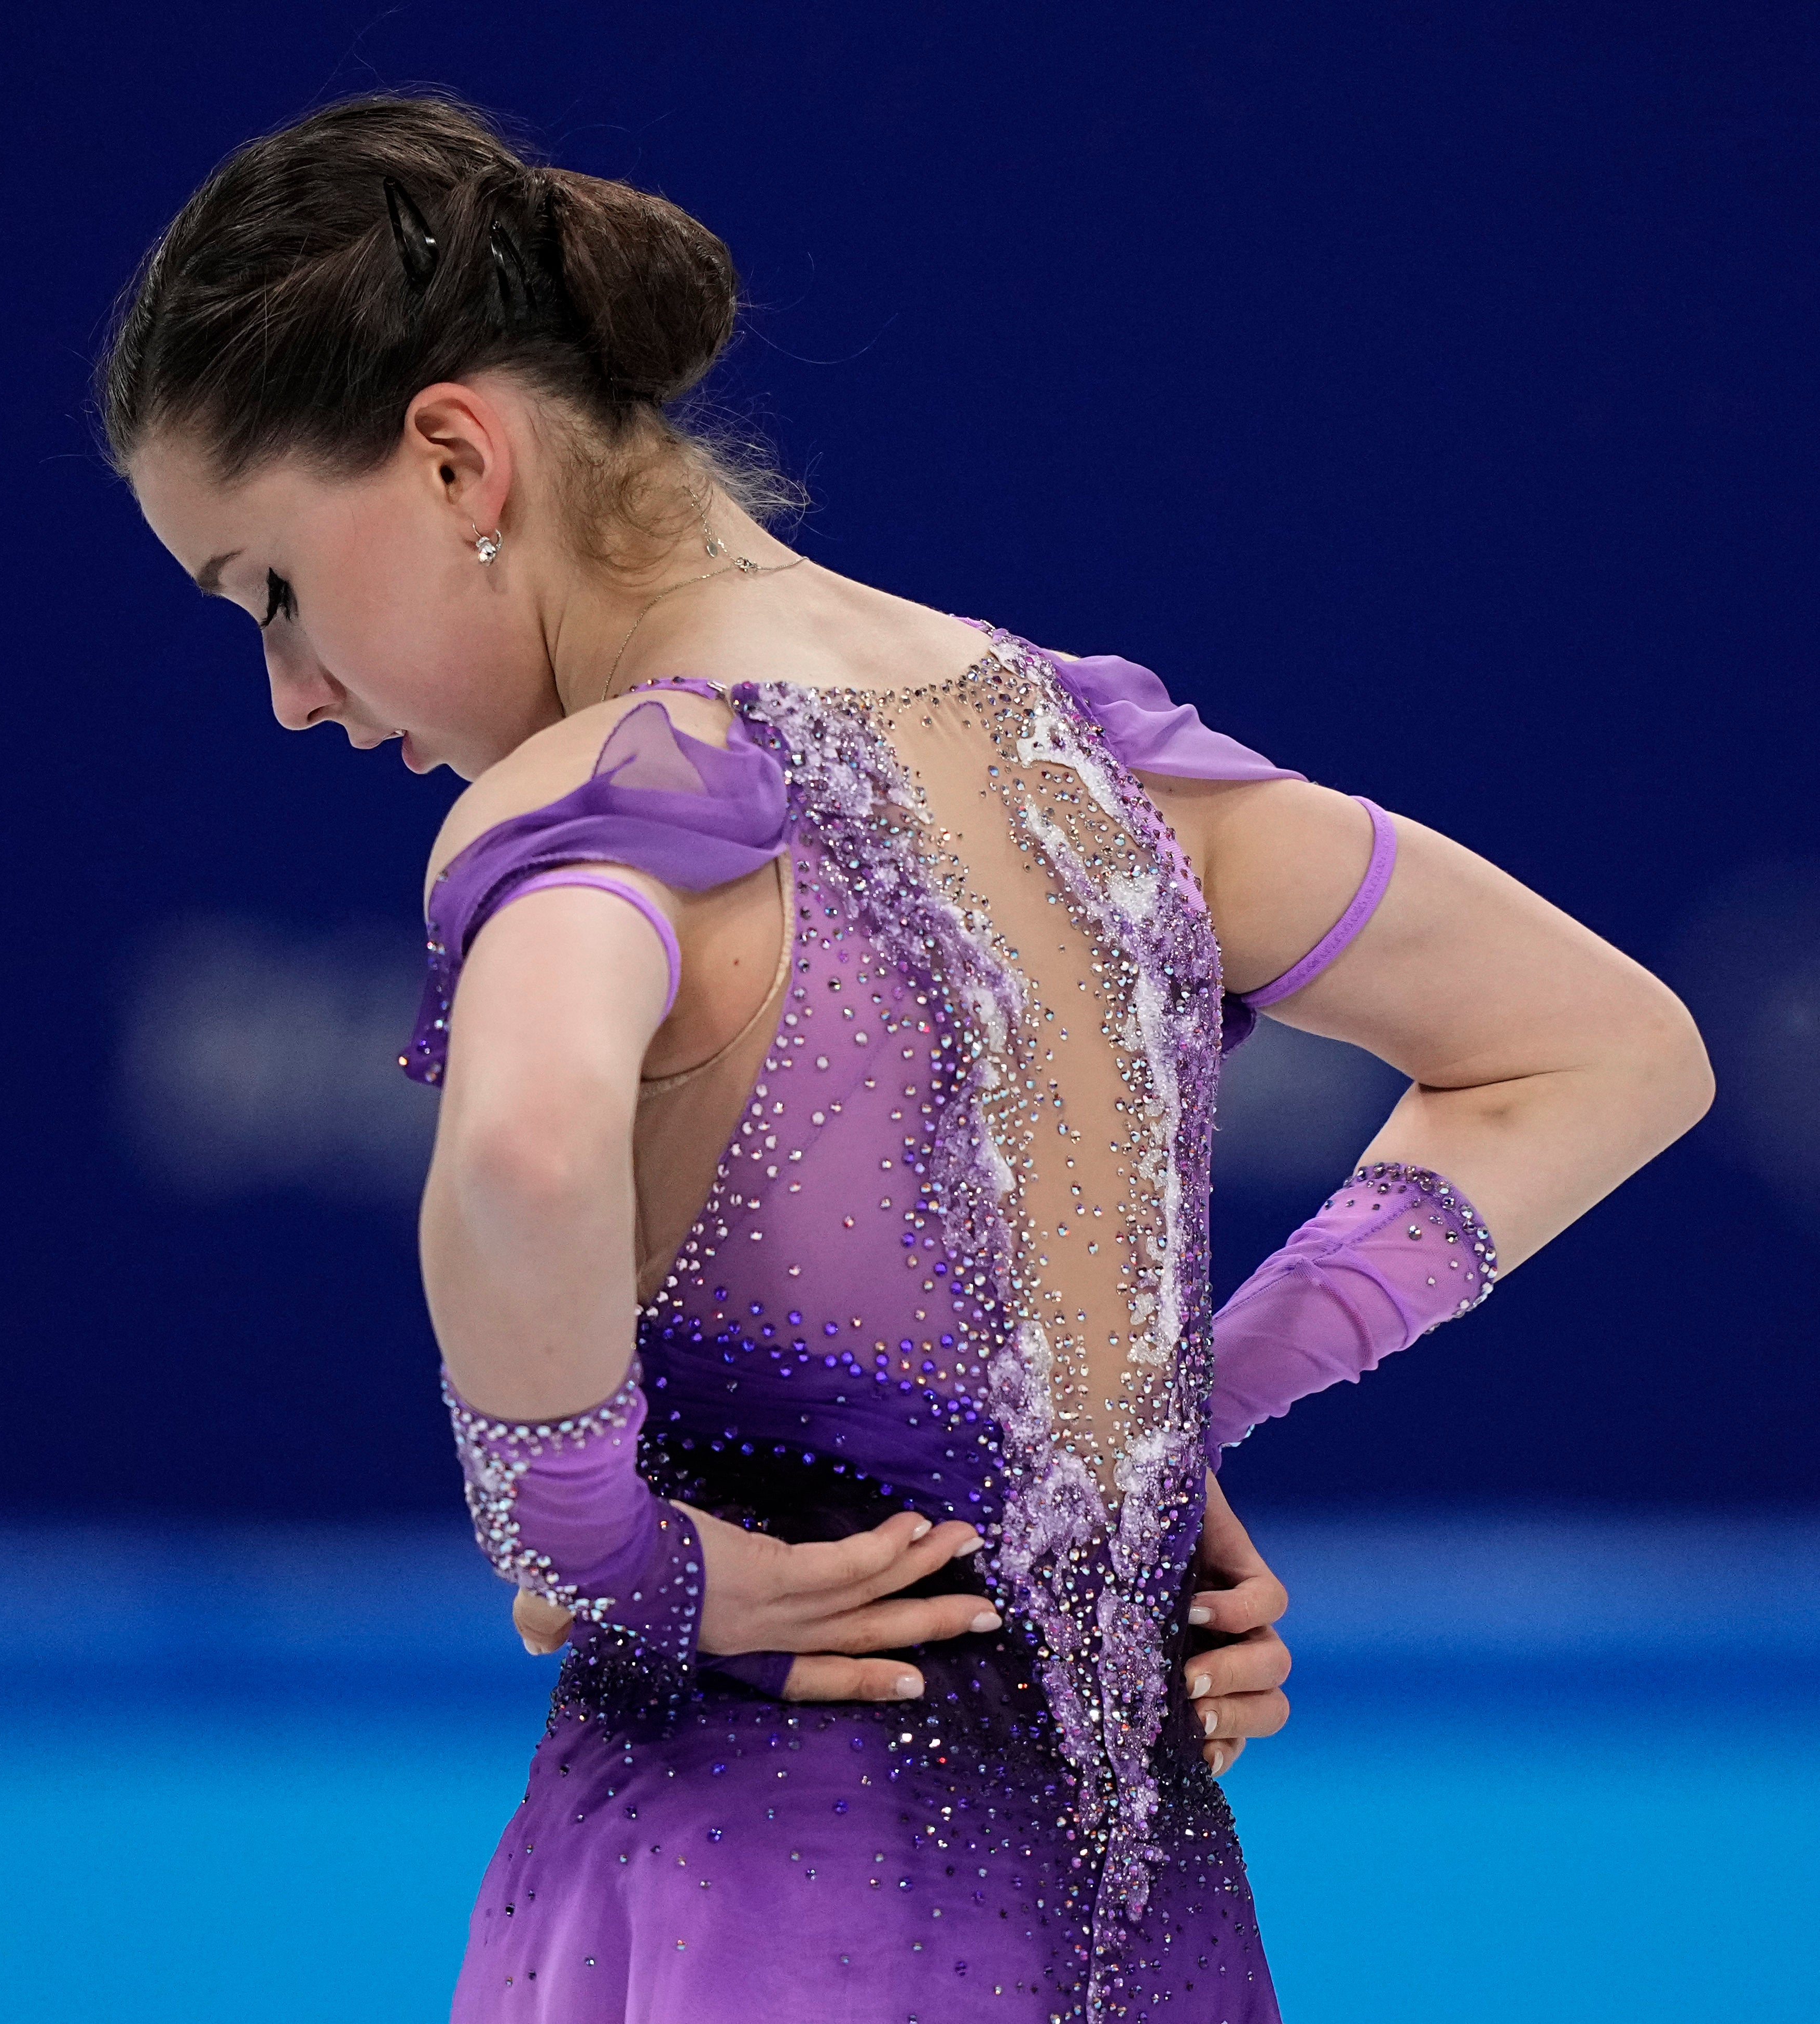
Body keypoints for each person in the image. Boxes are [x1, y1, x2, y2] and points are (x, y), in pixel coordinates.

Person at [104, 94, 1710, 2022]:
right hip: (1136, 1921)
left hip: (749, 1899)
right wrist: (1154, 1424)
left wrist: (597, 1536)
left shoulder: (602, 802)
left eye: (266, 588)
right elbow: (1608, 1053)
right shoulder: (1095, 764)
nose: (287, 692)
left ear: (455, 458)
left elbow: (523, 1150)